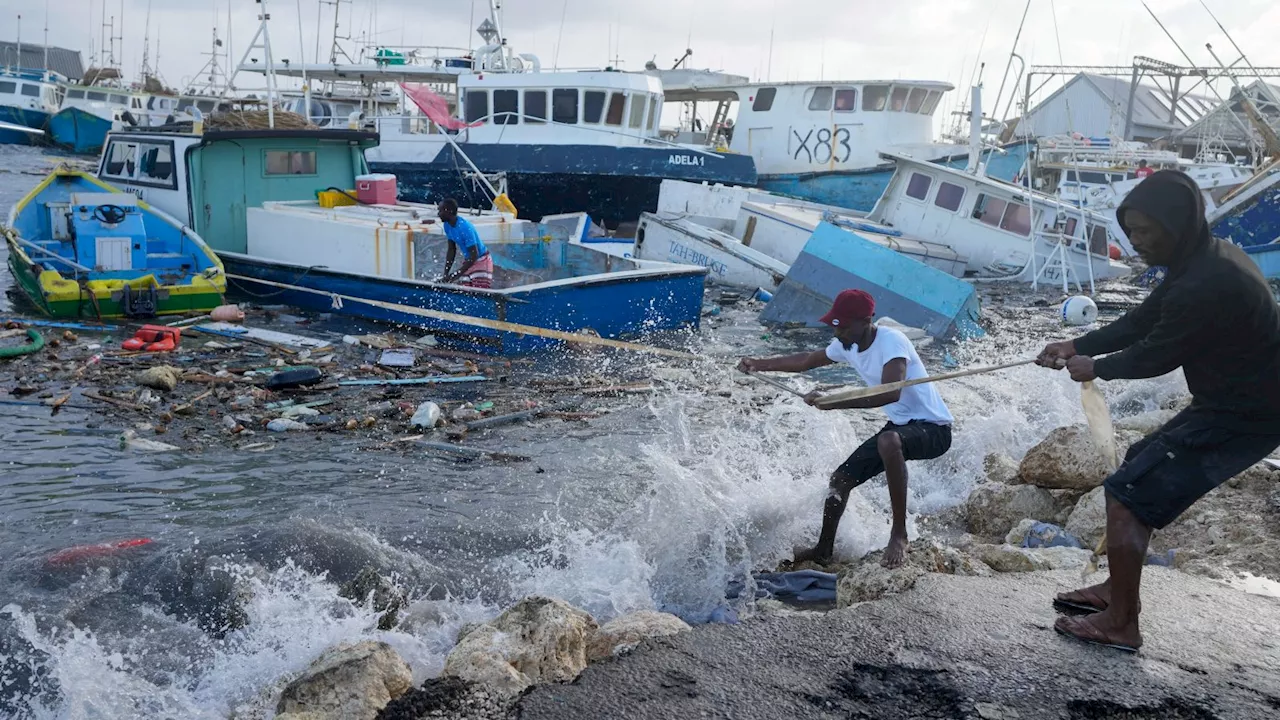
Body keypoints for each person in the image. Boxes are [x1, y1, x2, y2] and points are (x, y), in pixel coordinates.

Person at [1037, 170, 1280, 653]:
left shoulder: (1205, 282)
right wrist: (1077, 342)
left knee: (1127, 493)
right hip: (1233, 402)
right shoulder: (1202, 259)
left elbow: (1156, 355)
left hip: (1248, 414)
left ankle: (1122, 622)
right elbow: (1143, 320)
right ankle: (1115, 591)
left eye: (1146, 232)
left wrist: (1094, 367)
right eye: (1131, 232)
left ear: (1178, 223)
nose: (1137, 243)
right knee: (1137, 462)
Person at [738, 290, 954, 568]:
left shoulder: (892, 342)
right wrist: (758, 364)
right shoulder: (847, 344)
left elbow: (889, 393)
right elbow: (806, 361)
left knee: (888, 441)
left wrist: (834, 402)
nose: (837, 333)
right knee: (840, 480)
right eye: (834, 325)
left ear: (866, 321)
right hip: (901, 427)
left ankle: (899, 534)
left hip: (934, 430)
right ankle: (823, 550)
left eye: (844, 326)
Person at [434, 198, 493, 288]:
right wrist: (446, 274)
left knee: (479, 292)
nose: (438, 214)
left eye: (440, 211)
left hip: (481, 260)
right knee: (463, 290)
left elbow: (475, 255)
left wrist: (456, 275)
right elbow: (451, 250)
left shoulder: (464, 227)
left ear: (449, 211)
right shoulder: (447, 225)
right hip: (469, 260)